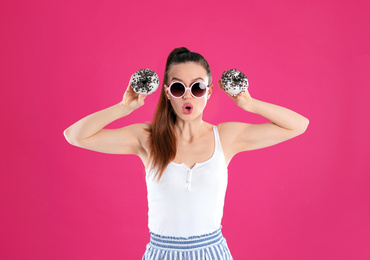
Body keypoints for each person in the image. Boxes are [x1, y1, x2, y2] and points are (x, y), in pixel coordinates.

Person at [64, 47, 309, 259]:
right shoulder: (147, 138)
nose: (188, 96)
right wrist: (123, 107)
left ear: (210, 91)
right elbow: (75, 136)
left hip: (212, 252)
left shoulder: (226, 137)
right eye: (179, 88)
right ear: (168, 92)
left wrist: (249, 104)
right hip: (161, 253)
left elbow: (298, 125)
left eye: (198, 87)